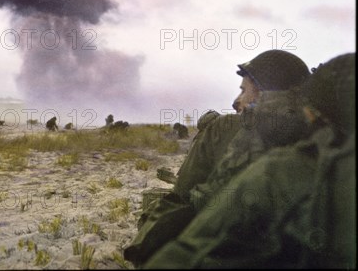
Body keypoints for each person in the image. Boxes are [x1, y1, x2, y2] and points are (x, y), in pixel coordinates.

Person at [141, 52, 355, 269]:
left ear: (267, 95)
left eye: (243, 90)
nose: (236, 101)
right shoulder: (324, 146)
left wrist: (147, 246)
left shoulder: (229, 134)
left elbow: (183, 201)